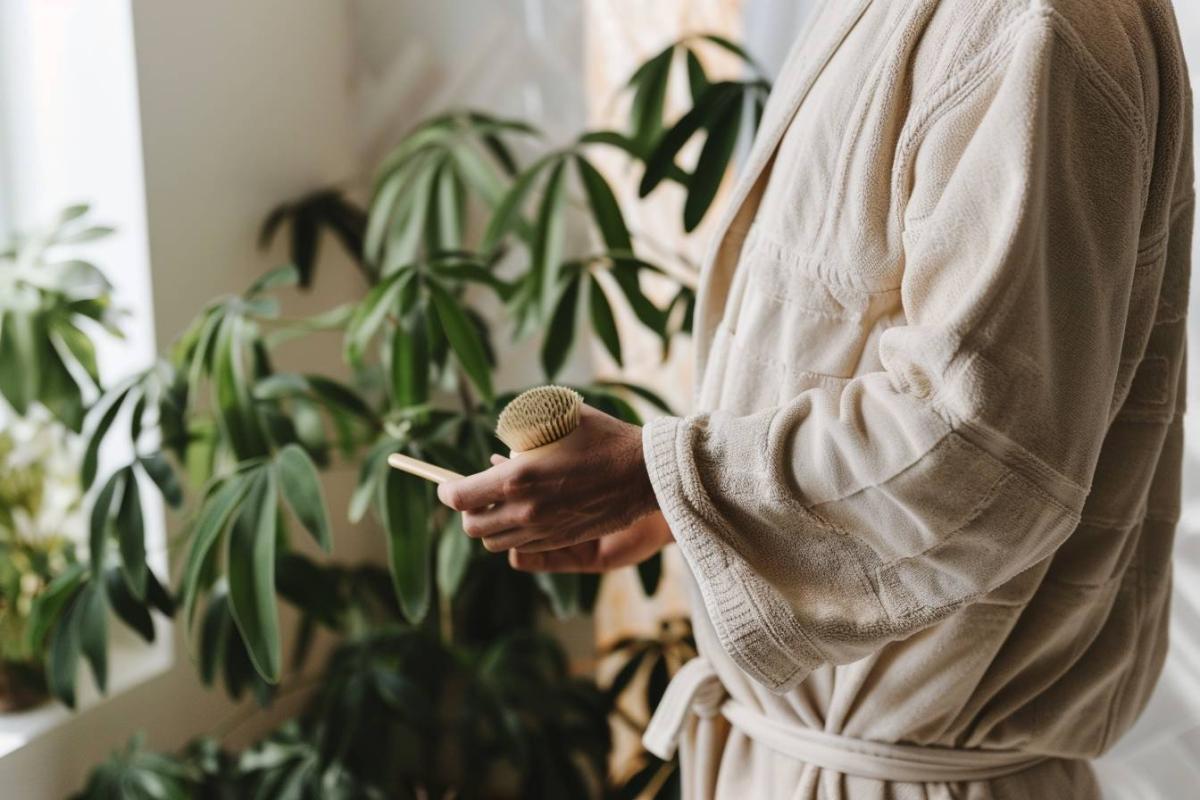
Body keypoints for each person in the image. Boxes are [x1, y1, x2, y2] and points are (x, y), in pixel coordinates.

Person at [437, 0, 1194, 797]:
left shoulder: (1035, 25)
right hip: (804, 758)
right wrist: (699, 516)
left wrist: (658, 473)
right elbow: (854, 348)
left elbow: (983, 449)